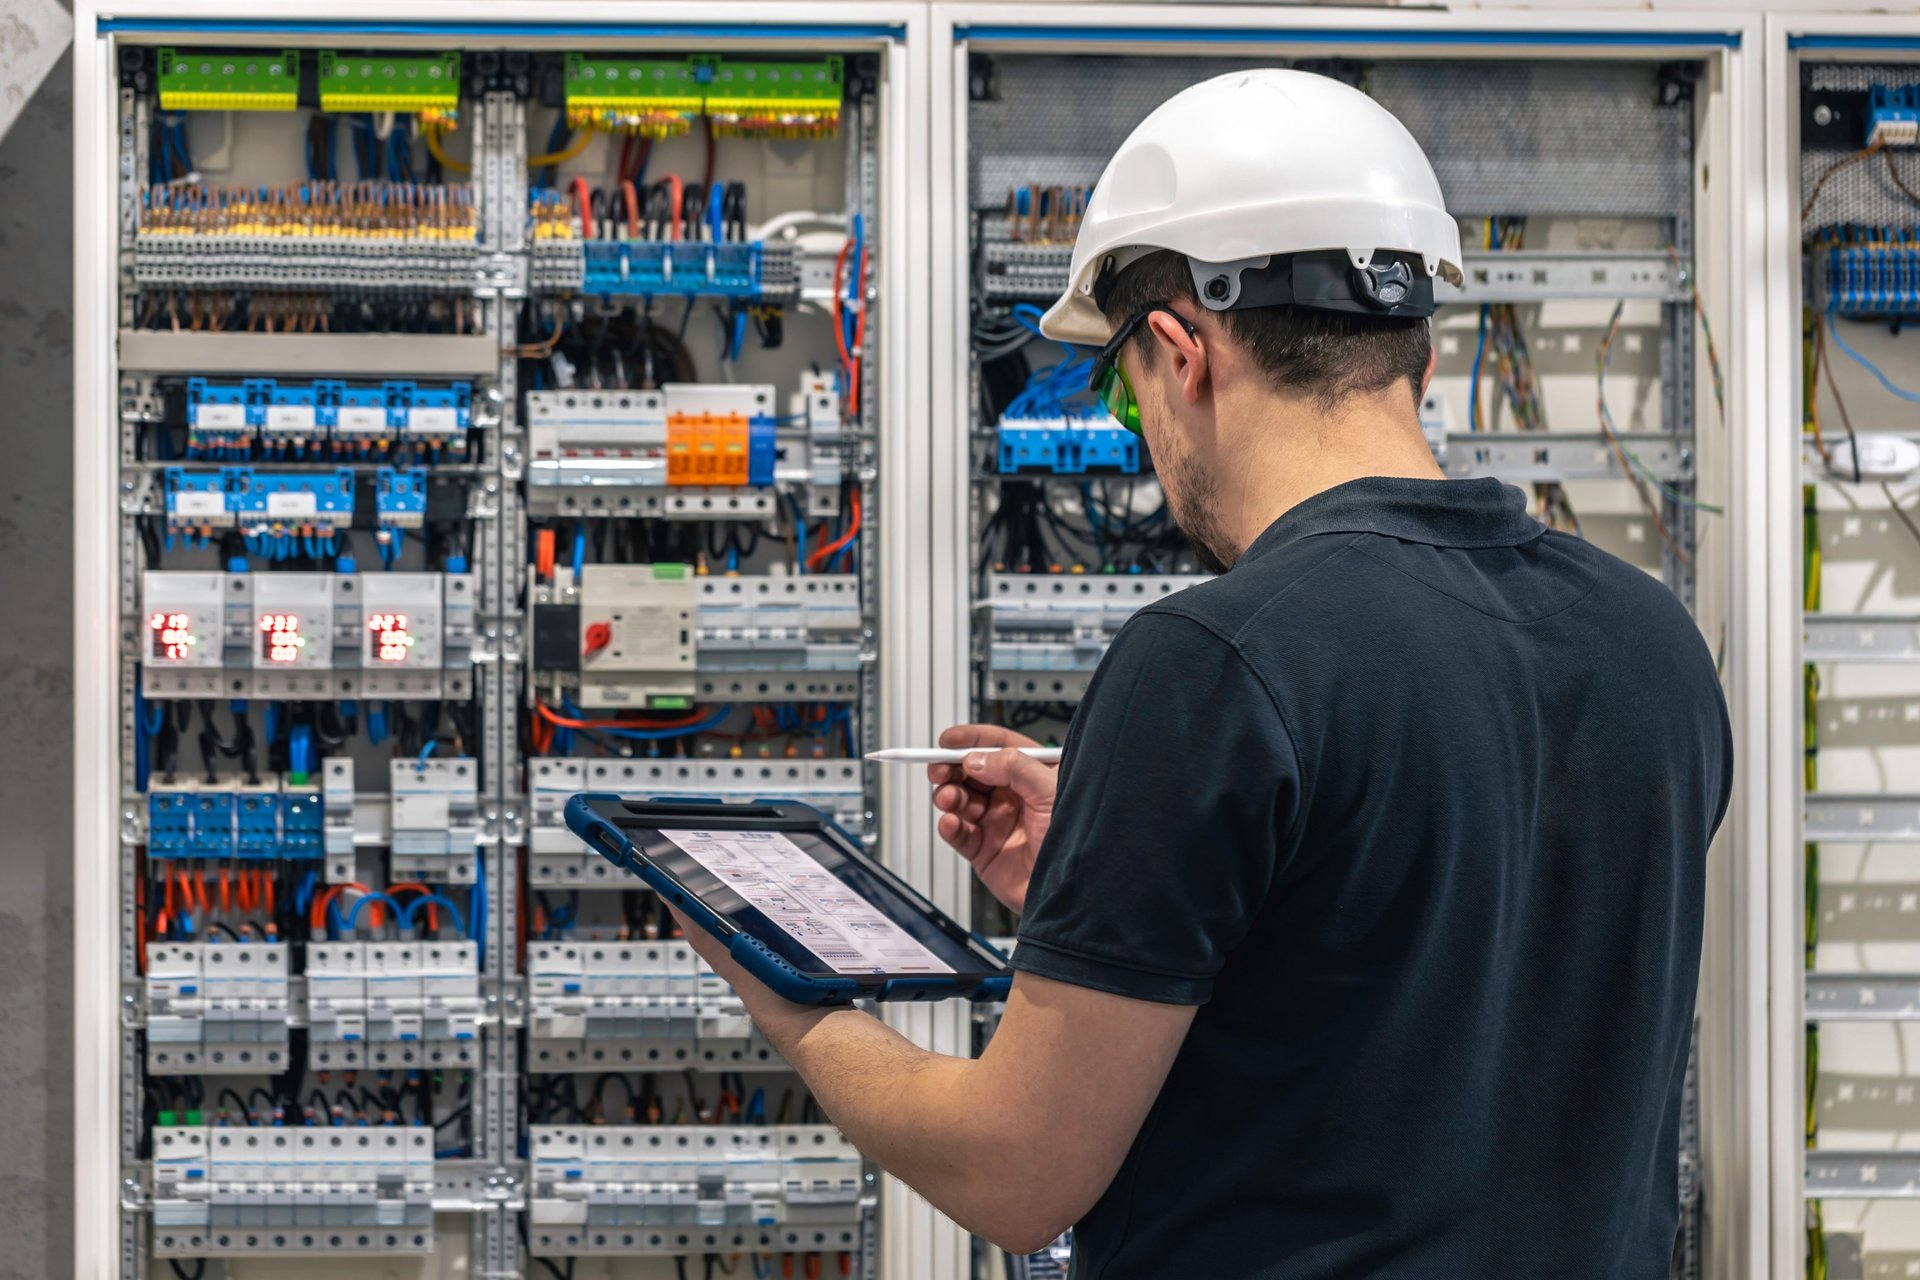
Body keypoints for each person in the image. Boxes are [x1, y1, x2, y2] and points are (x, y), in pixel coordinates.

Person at [674, 69, 1733, 1278]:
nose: (1152, 450)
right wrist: (1122, 875)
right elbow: (1423, 979)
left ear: (1183, 353)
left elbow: (1016, 1172)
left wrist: (794, 1001)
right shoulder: (1652, 640)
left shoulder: (1217, 660)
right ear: (1415, 362)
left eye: (1129, 407)